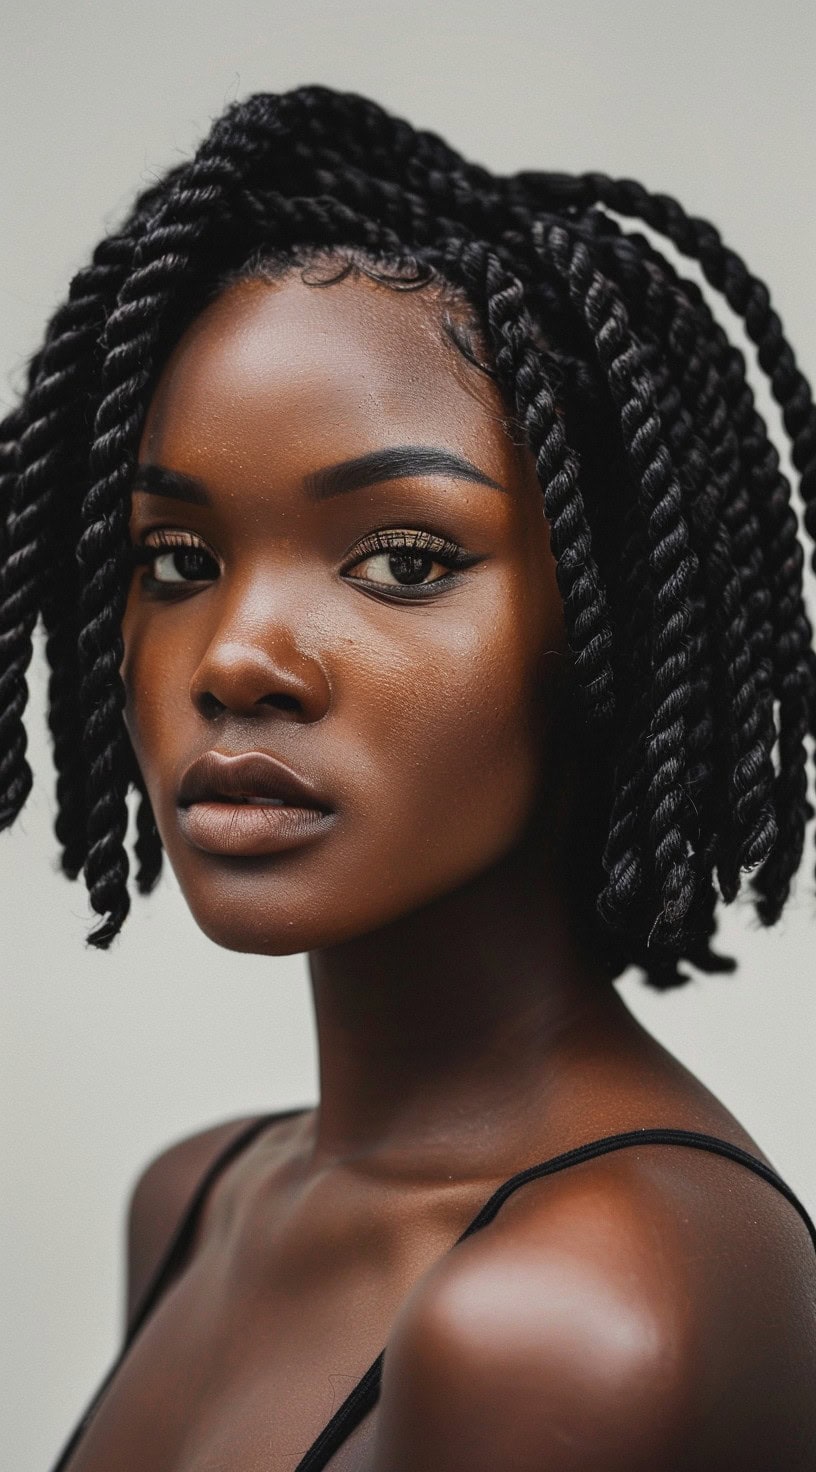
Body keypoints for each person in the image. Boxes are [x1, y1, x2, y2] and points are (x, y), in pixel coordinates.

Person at [2, 82, 816, 1471]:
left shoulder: (586, 1312)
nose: (238, 655)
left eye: (404, 562)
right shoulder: (196, 1199)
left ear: (614, 625)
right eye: (178, 563)